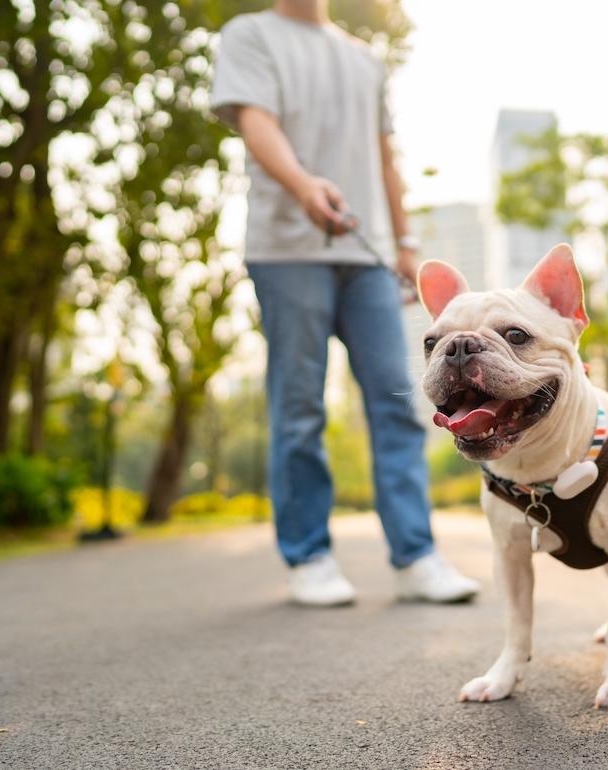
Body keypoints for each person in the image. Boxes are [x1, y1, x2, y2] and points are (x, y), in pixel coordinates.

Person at [209, 0, 479, 606]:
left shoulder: (365, 59)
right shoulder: (249, 35)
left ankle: (417, 556)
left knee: (398, 400)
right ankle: (309, 557)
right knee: (300, 404)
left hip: (369, 259)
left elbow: (385, 156)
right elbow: (256, 122)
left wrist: (406, 243)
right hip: (286, 252)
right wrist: (304, 185)